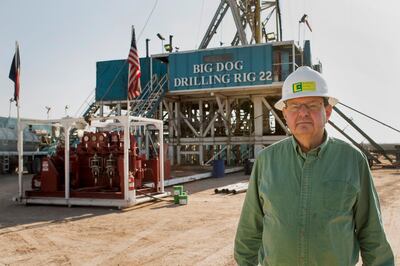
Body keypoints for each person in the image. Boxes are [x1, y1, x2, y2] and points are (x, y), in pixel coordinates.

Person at [234, 66, 394, 265]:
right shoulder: (267, 161)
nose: (302, 113)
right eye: (294, 106)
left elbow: (372, 234)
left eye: (311, 105)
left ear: (327, 111)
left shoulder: (353, 160)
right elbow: (249, 231)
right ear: (285, 113)